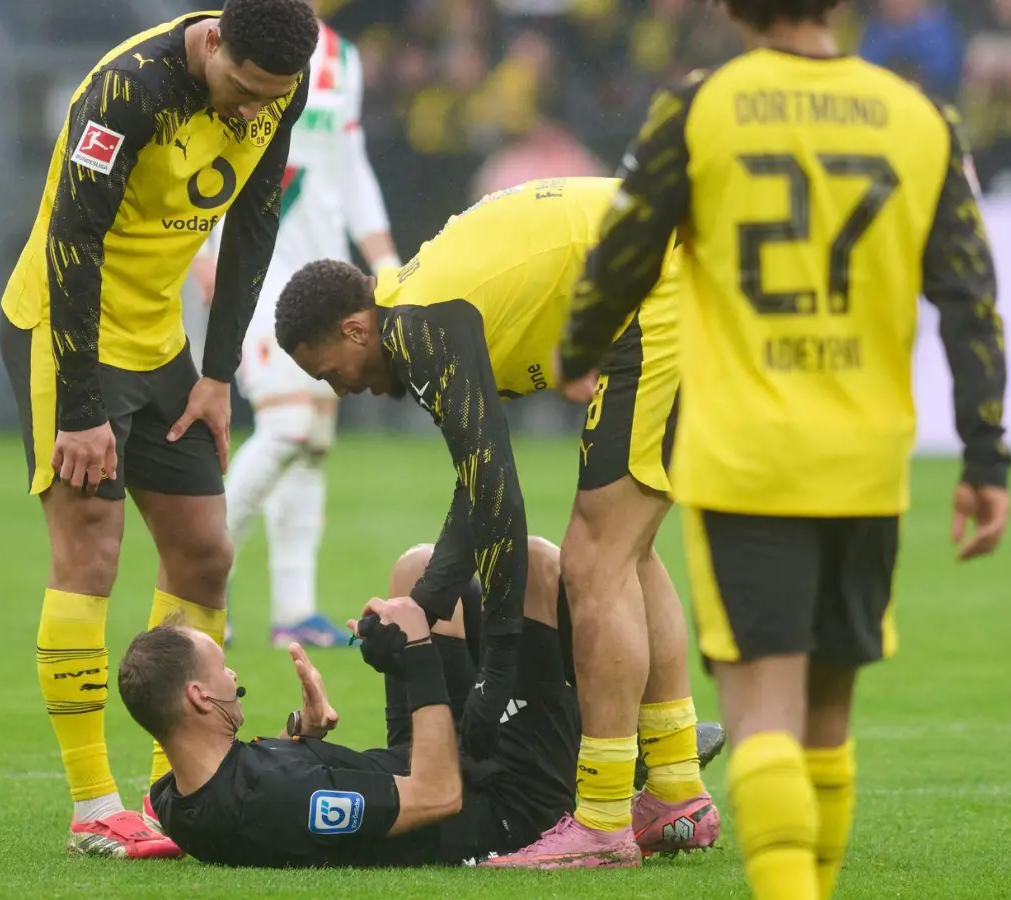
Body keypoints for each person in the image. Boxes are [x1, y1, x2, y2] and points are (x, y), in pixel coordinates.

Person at [556, 0, 1011, 894]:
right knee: (829, 717)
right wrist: (985, 454)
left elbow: (623, 248)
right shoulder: (920, 118)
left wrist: (577, 353)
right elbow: (969, 295)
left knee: (763, 708)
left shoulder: (699, 107)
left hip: (747, 454)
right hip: (867, 456)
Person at [276, 176, 721, 866]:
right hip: (674, 270)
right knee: (624, 549)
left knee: (593, 558)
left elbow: (501, 500)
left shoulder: (418, 327)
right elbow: (475, 491)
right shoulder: (420, 313)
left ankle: (603, 821)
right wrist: (421, 607)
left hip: (658, 283)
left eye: (332, 371)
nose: (344, 388)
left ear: (354, 328)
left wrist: (500, 668)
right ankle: (676, 789)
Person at [0, 0, 317, 859]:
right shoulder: (126, 89)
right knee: (91, 552)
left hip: (160, 343)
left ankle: (176, 789)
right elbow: (72, 237)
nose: (255, 111)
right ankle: (93, 805)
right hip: (66, 336)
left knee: (206, 554)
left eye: (271, 97)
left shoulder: (279, 78)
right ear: (213, 42)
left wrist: (218, 376)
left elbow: (254, 224)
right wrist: (80, 407)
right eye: (243, 90)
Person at [130, 537, 647, 868]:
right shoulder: (275, 798)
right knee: (536, 563)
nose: (233, 672)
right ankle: (619, 755)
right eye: (222, 668)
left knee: (416, 570)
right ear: (198, 697)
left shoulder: (174, 798)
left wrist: (304, 734)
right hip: (501, 803)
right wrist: (417, 657)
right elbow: (438, 796)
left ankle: (591, 737)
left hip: (418, 761)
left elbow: (263, 808)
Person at [190, 19, 401, 649]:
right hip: (250, 266)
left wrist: (383, 258)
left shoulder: (343, 57)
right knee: (287, 426)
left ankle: (295, 611)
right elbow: (193, 146)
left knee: (311, 441)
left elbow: (349, 163)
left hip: (321, 271)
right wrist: (202, 252)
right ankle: (199, 586)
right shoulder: (227, 39)